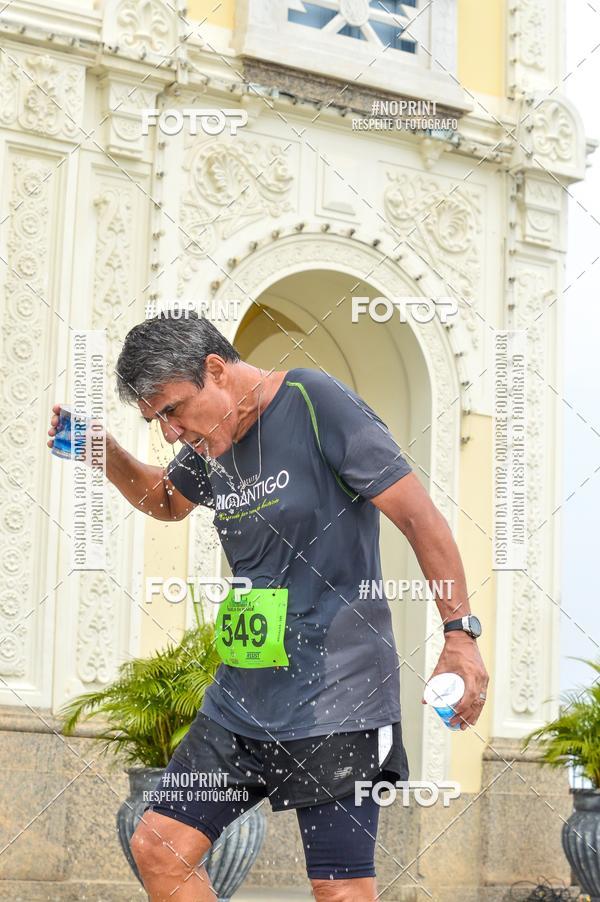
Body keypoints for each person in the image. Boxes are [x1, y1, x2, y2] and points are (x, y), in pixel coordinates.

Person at [48, 313, 488, 902]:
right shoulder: (212, 441)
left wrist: (459, 636)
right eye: (156, 421)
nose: (170, 433)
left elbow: (418, 517)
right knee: (160, 845)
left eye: (172, 411)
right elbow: (167, 500)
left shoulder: (314, 401)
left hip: (340, 696)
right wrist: (103, 453)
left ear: (215, 370)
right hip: (243, 698)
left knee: (341, 890)